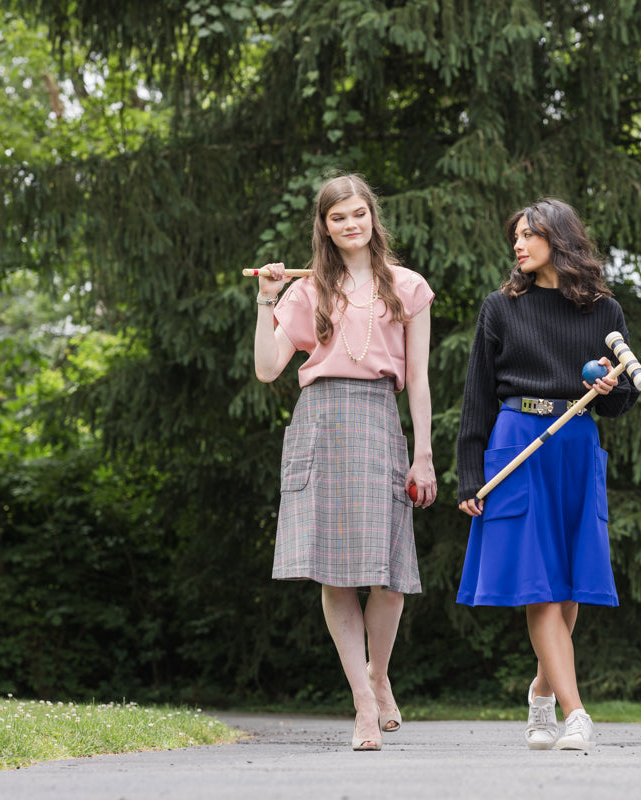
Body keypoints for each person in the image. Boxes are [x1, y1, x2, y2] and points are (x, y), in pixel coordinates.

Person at [253, 173, 436, 752]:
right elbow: (266, 368)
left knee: (387, 573)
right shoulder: (307, 291)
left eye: (358, 213)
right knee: (334, 572)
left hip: (380, 419)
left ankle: (380, 674)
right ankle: (361, 700)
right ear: (325, 226)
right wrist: (266, 298)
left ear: (371, 218)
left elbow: (421, 378)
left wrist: (424, 453)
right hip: (322, 420)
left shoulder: (408, 287)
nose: (350, 224)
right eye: (338, 217)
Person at [455, 198, 639, 751]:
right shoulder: (500, 306)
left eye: (530, 234)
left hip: (576, 444)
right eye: (516, 235)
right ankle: (576, 712)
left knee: (568, 584)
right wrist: (469, 473)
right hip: (515, 442)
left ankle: (542, 693)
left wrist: (611, 387)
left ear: (560, 239)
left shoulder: (603, 310)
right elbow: (477, 395)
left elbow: (622, 399)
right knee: (540, 589)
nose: (519, 244)